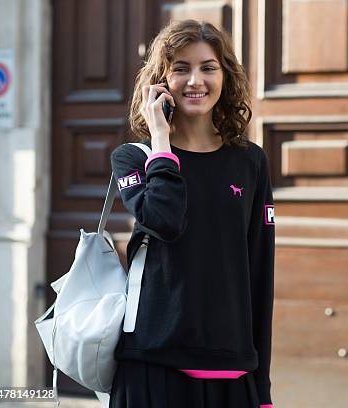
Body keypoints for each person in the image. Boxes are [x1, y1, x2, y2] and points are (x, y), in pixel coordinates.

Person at [108, 19, 275, 408]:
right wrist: (162, 141)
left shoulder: (250, 162)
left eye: (207, 67)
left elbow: (260, 271)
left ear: (225, 76)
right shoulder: (134, 158)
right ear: (161, 81)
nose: (194, 80)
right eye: (180, 68)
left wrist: (262, 387)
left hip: (232, 374)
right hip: (152, 366)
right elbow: (163, 219)